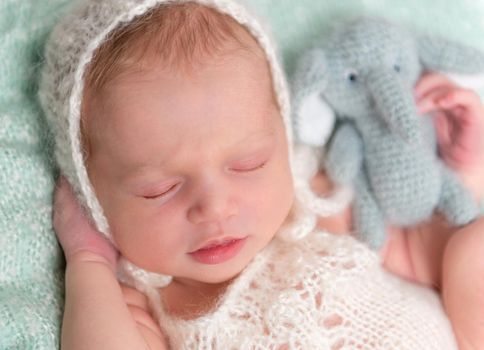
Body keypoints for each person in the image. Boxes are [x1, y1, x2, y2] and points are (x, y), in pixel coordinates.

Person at [39, 0, 484, 349]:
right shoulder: (144, 304)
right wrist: (89, 263)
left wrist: (463, 171)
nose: (215, 207)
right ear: (94, 195)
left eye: (247, 165)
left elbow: (428, 249)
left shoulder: (315, 206)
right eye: (161, 190)